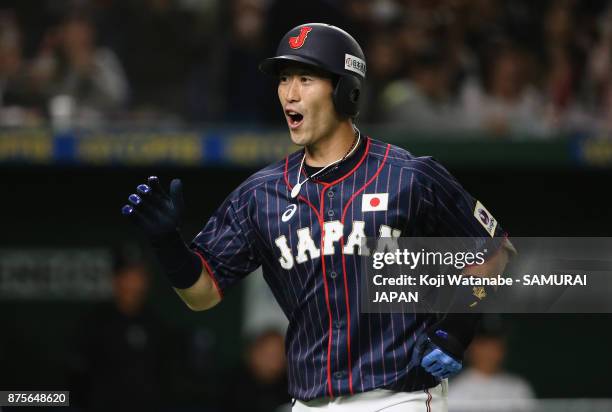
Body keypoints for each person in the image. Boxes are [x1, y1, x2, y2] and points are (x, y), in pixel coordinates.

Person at [122, 23, 514, 412]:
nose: (289, 94)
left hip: (399, 397)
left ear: (346, 90)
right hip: (309, 403)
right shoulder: (261, 194)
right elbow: (202, 294)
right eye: (284, 80)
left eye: (305, 78)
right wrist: (168, 245)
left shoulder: (408, 176)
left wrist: (458, 328)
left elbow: (496, 249)